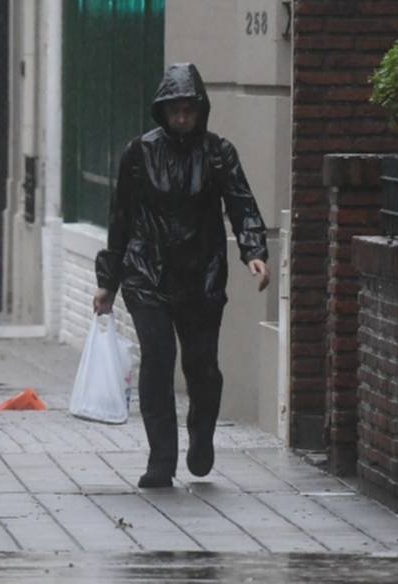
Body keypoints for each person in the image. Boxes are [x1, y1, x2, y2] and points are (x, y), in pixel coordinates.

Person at [93, 63, 269, 489]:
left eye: (189, 109)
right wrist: (108, 281)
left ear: (200, 109)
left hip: (201, 274)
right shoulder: (139, 152)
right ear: (163, 110)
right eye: (175, 110)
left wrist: (254, 252)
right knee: (157, 358)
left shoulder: (218, 152)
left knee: (202, 366)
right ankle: (161, 460)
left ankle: (201, 435)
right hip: (146, 273)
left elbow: (241, 203)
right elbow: (121, 217)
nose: (182, 117)